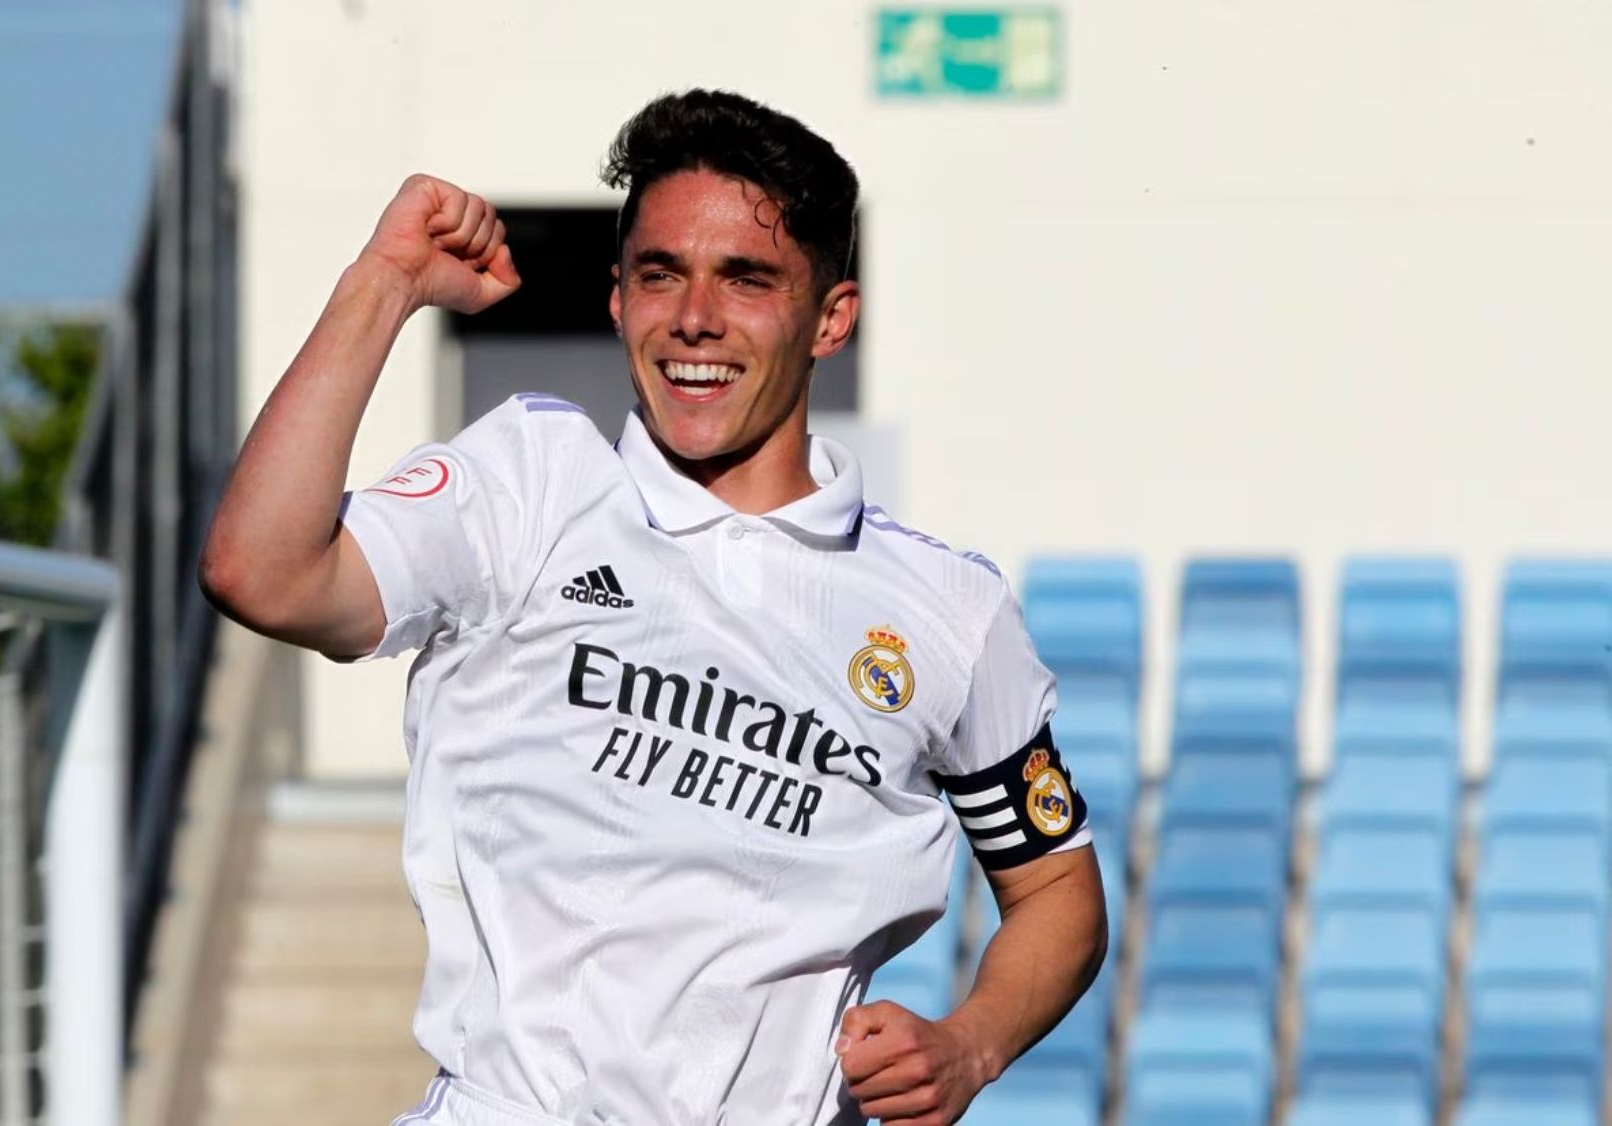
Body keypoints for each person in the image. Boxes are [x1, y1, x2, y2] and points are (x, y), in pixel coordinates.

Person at [200, 88, 1107, 1126]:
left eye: (746, 279)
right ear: (617, 299)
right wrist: (384, 284)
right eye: (658, 274)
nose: (692, 319)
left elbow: (1055, 890)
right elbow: (258, 571)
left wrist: (967, 1042)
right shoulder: (529, 479)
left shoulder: (946, 607)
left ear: (831, 319)